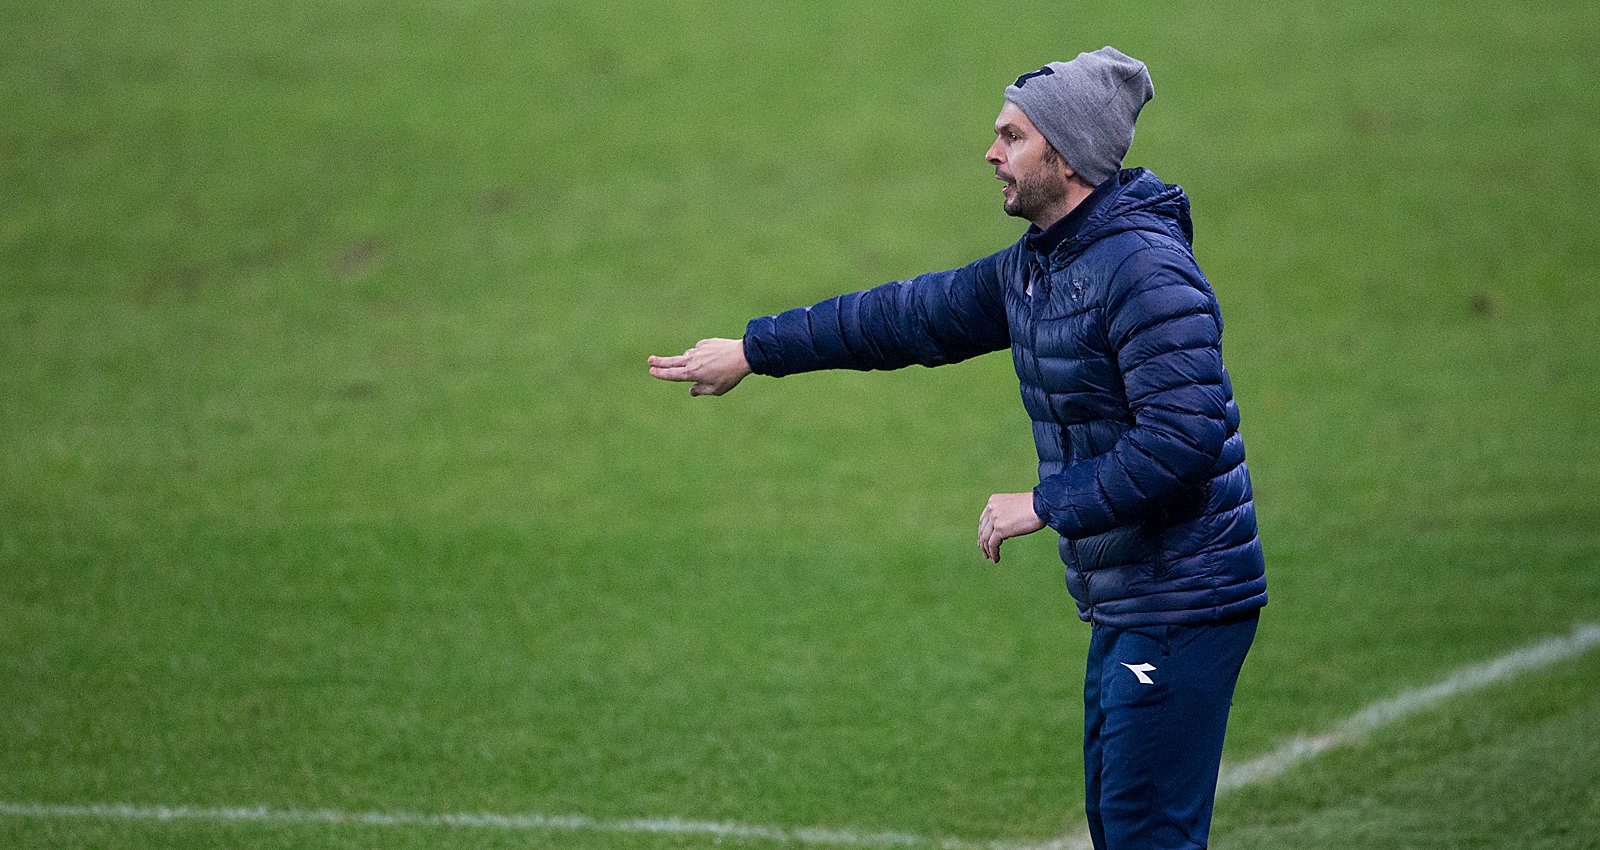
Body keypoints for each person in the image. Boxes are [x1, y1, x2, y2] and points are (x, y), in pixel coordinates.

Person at [647, 46, 1266, 850]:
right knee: (1126, 826)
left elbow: (1184, 438)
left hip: (1182, 600)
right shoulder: (1043, 267)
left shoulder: (1142, 270)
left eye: (1012, 136)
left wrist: (1045, 504)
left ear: (1066, 156)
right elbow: (906, 318)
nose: (991, 153)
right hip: (1135, 597)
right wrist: (755, 350)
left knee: (1146, 832)